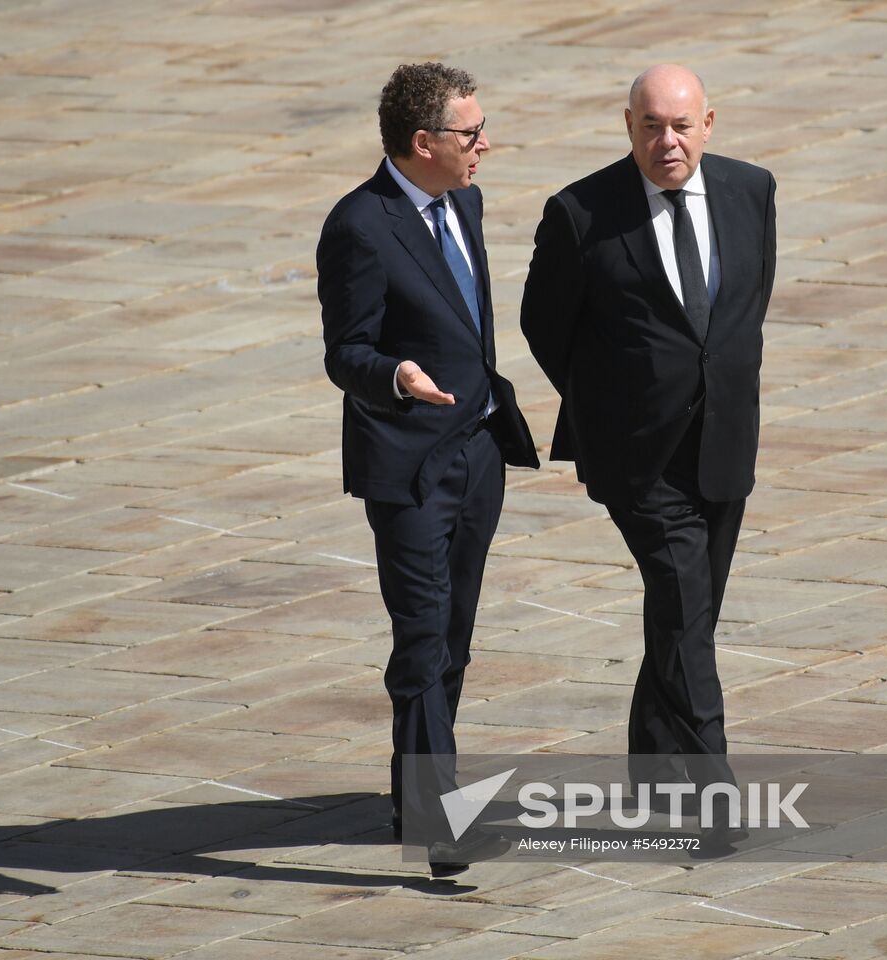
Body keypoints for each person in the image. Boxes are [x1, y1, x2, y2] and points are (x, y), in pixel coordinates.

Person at [520, 64, 776, 851]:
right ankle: (714, 796)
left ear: (709, 123)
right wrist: (615, 402)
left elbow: (747, 302)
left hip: (724, 443)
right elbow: (543, 325)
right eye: (650, 127)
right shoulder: (580, 213)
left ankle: (654, 769)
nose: (667, 142)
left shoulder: (750, 191)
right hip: (637, 458)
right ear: (628, 126)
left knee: (684, 615)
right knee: (683, 603)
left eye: (681, 125)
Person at [318, 62, 538, 876]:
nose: (487, 145)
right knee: (420, 634)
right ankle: (438, 821)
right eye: (472, 133)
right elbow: (347, 352)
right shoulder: (360, 227)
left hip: (478, 451)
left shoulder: (465, 201)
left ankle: (415, 797)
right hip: (407, 463)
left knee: (453, 637)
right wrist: (395, 376)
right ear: (424, 142)